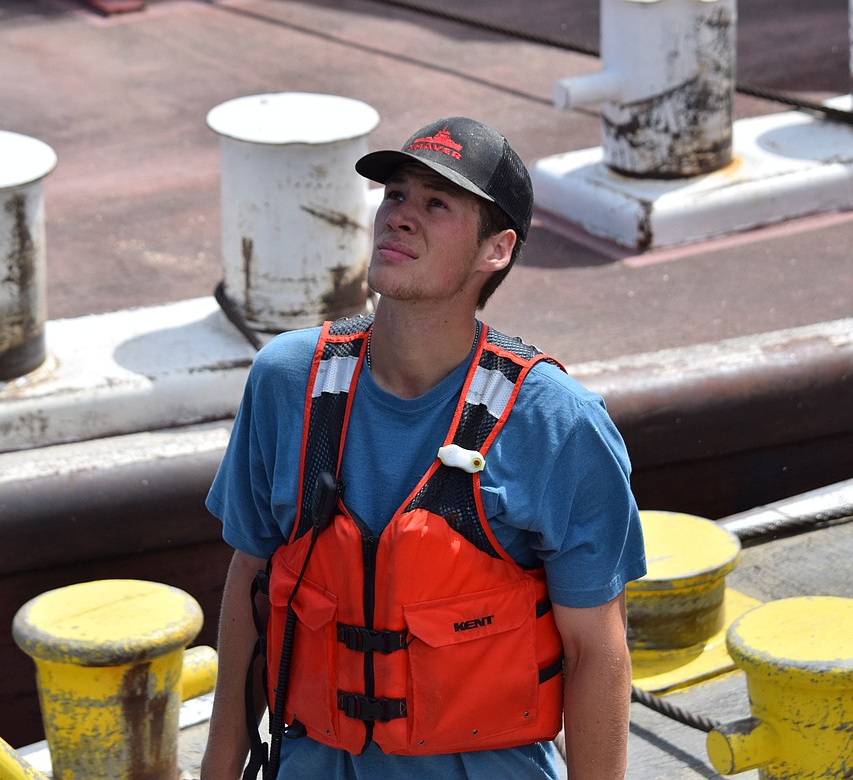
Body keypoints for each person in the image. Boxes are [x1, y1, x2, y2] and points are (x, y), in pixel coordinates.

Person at [201, 116, 646, 780]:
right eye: (396, 195)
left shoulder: (557, 422)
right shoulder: (285, 380)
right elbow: (251, 585)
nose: (400, 217)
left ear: (495, 250)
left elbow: (596, 653)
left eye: (436, 204)